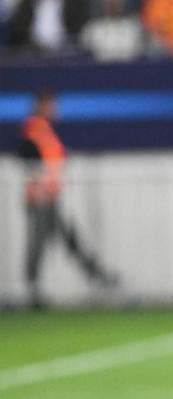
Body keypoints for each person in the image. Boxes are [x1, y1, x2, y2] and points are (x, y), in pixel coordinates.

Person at [19, 89, 116, 308]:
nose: (55, 109)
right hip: (39, 198)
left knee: (68, 238)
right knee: (39, 243)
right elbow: (27, 156)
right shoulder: (35, 129)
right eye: (51, 105)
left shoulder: (45, 130)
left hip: (50, 196)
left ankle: (95, 275)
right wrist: (39, 179)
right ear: (42, 106)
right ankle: (33, 290)